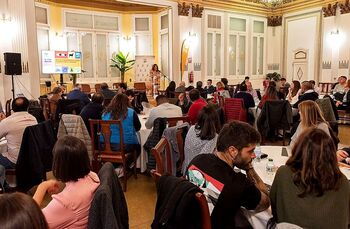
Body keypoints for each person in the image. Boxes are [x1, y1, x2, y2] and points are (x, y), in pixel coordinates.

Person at [186, 121, 270, 228]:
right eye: (250, 151)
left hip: (186, 221)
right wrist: (249, 168)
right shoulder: (239, 184)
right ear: (232, 151)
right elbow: (265, 202)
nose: (253, 155)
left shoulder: (198, 159)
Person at [270, 128, 350, 229]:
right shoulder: (342, 182)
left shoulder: (284, 173)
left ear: (299, 149)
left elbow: (273, 206)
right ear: (331, 154)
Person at [33, 136, 100, 228]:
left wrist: (42, 186)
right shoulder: (93, 176)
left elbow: (30, 220)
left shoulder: (65, 202)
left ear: (59, 165)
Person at [0, 97, 37, 191]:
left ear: (12, 108)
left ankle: (4, 186)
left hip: (15, 162)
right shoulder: (33, 119)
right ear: (28, 107)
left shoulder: (7, 122)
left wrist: (2, 122)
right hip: (33, 159)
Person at [182, 105, 220, 174]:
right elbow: (203, 162)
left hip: (186, 167)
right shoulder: (213, 137)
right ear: (216, 120)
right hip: (196, 175)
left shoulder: (192, 128)